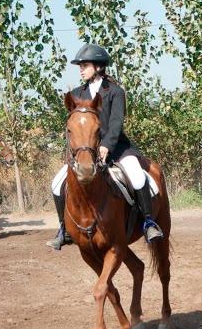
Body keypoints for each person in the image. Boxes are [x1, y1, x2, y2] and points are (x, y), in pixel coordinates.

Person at [46, 44, 163, 250]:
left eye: (85, 65)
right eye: (80, 66)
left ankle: (148, 222)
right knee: (57, 183)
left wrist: (106, 145)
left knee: (136, 176)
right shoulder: (76, 93)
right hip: (85, 153)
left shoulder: (115, 91)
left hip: (117, 148)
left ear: (99, 66)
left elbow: (117, 122)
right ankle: (64, 230)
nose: (81, 69)